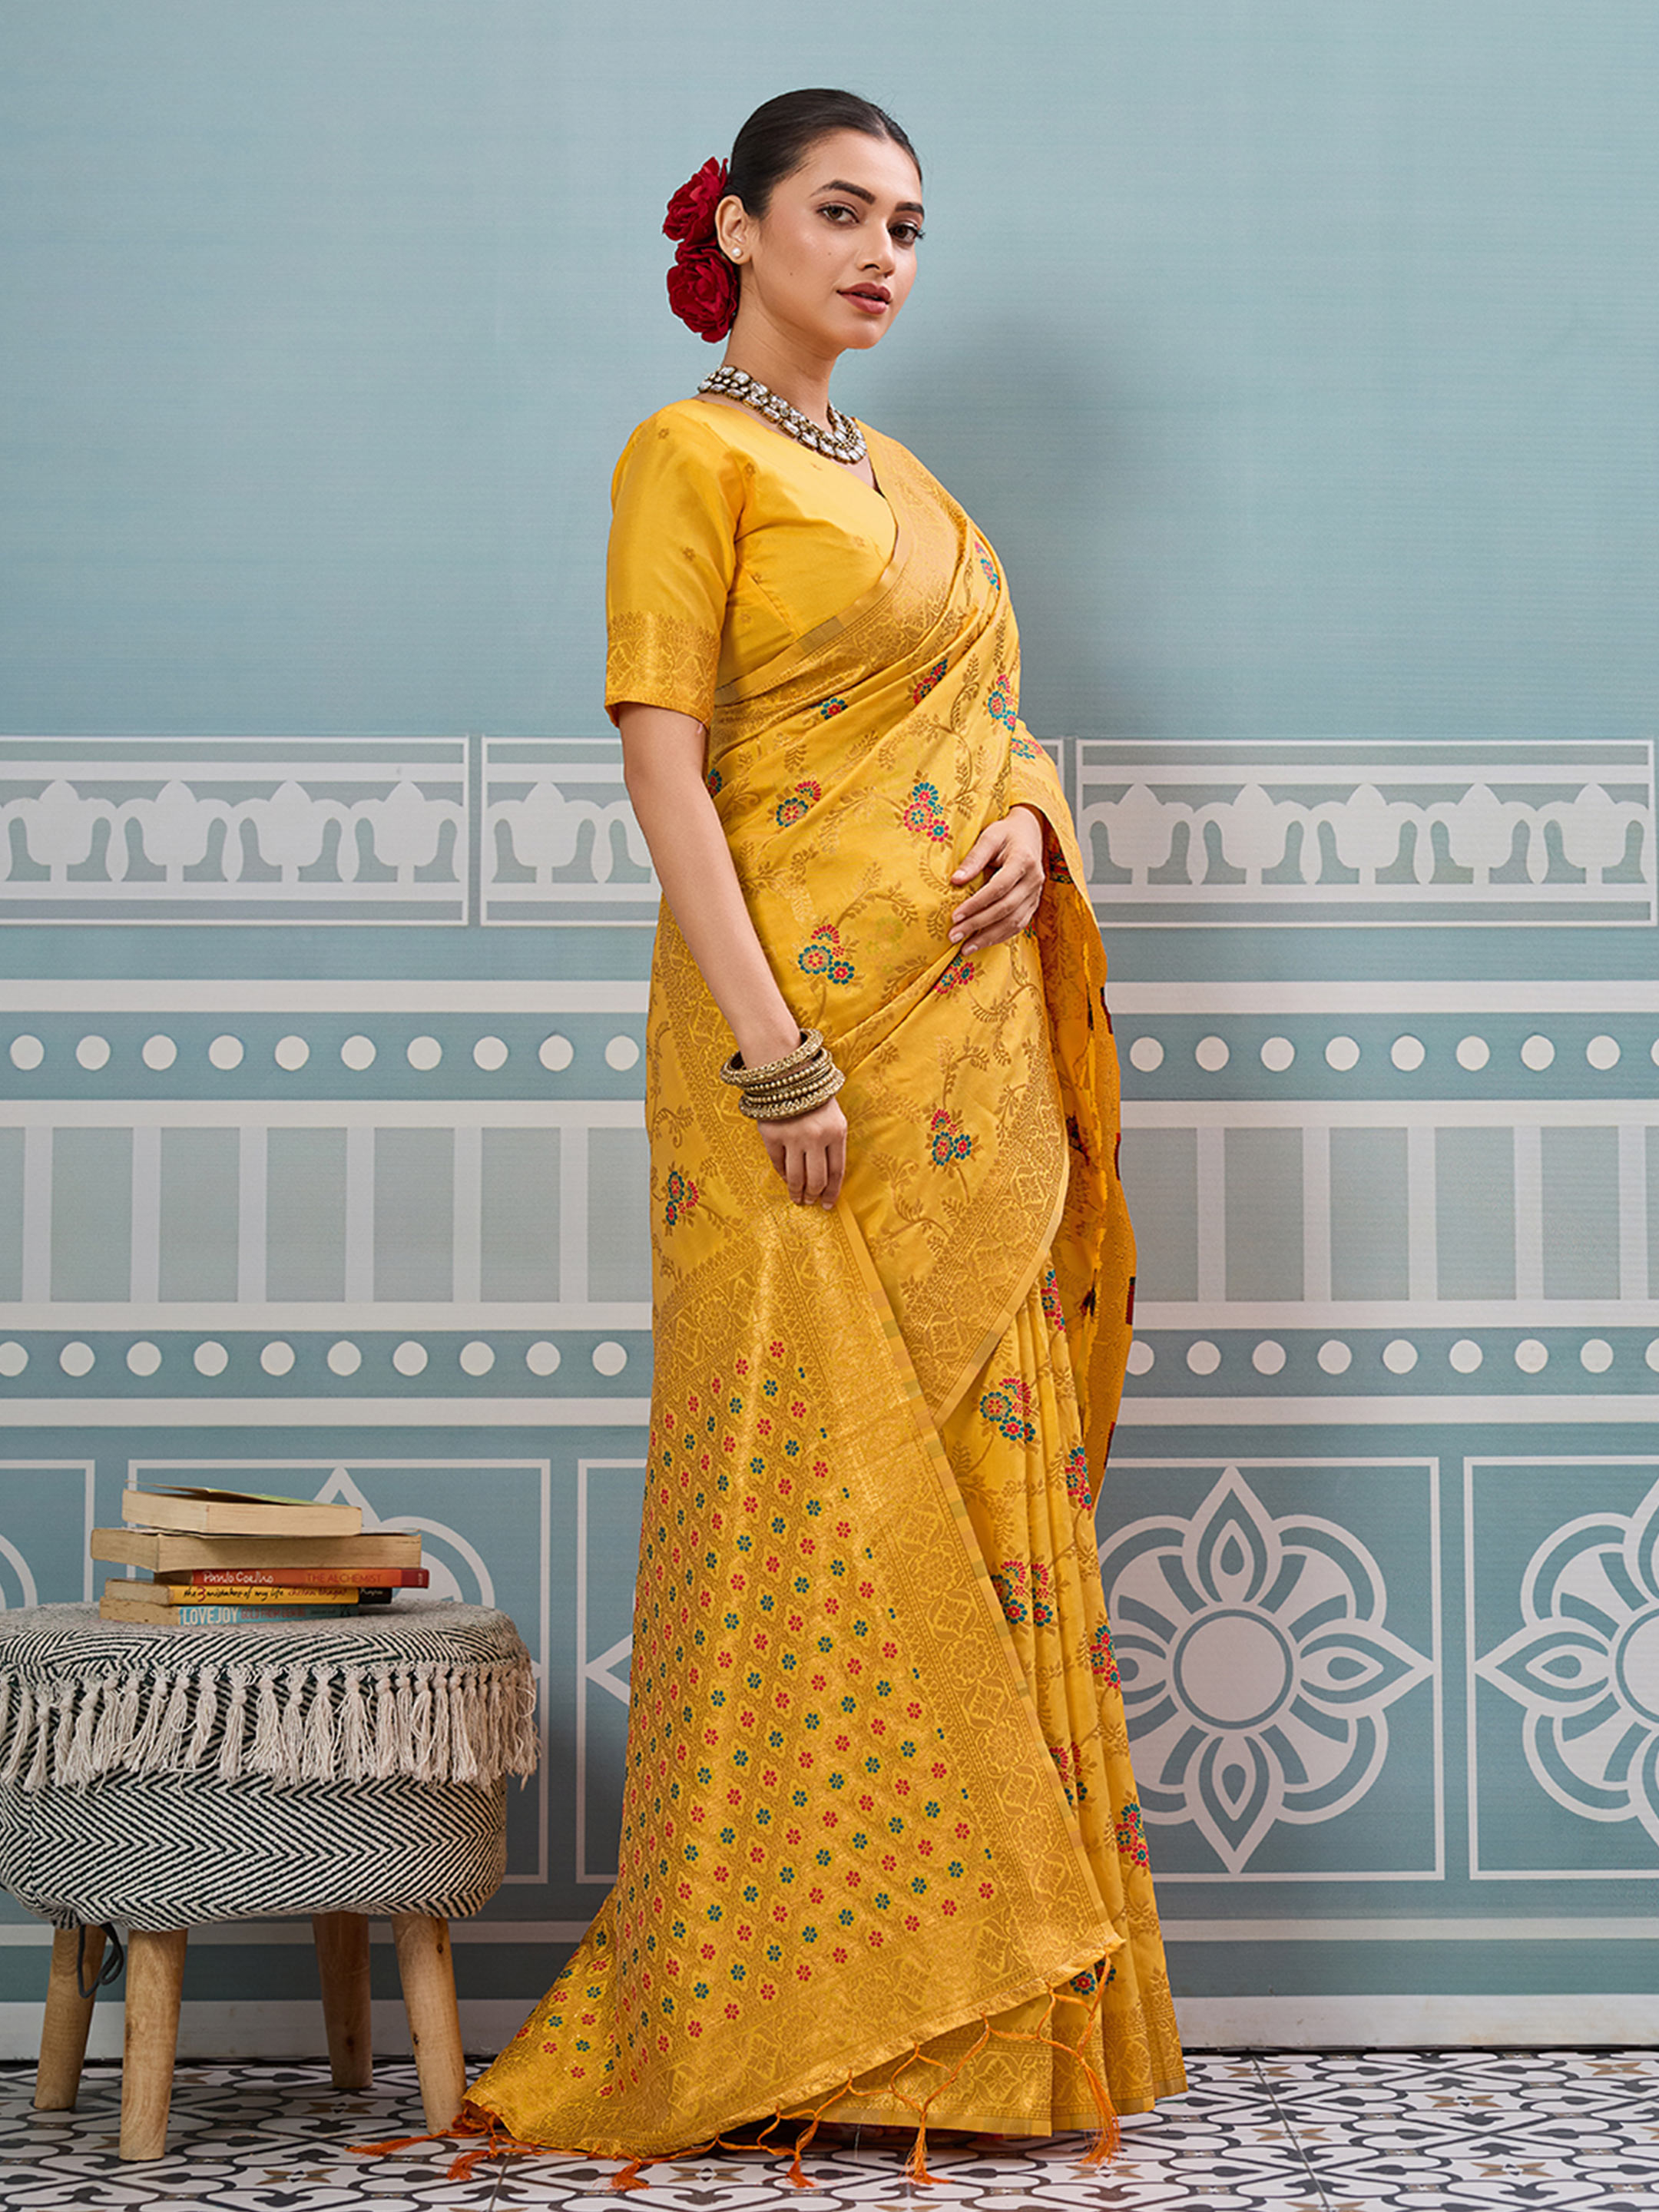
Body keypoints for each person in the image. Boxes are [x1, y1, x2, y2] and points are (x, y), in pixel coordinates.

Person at [462, 86, 1185, 2182]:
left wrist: (1034, 821)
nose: (882, 255)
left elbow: (994, 722)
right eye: (844, 213)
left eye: (910, 226)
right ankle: (793, 2022)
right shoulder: (683, 459)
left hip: (962, 1064)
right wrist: (776, 1053)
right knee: (807, 1494)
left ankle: (986, 2047)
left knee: (971, 1486)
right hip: (791, 1058)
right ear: (741, 231)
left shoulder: (918, 486)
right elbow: (664, 771)